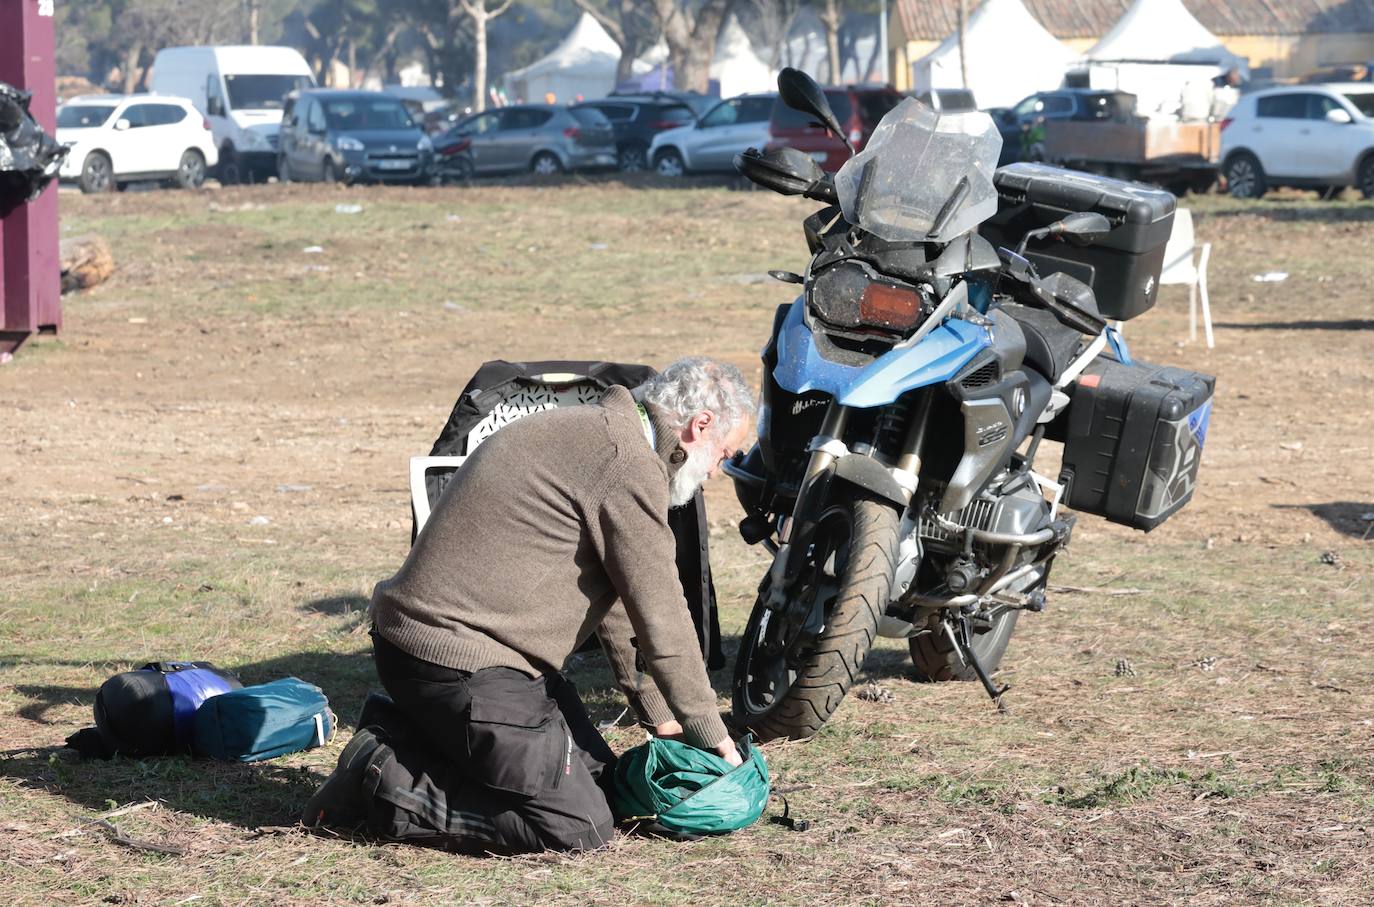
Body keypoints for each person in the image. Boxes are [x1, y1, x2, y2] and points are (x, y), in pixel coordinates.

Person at [303, 357, 755, 852]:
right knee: (579, 825)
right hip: (458, 662)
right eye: (726, 455)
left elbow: (624, 607)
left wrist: (661, 719)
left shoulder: (602, 433)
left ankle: (420, 735)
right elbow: (663, 614)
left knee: (606, 785)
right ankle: (379, 777)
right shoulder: (626, 461)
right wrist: (711, 733)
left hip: (467, 657)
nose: (717, 471)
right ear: (700, 425)